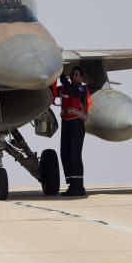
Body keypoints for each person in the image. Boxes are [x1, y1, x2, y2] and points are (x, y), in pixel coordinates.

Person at [56, 66, 91, 196]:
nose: (74, 76)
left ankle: (79, 186)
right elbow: (51, 91)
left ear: (81, 77)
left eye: (77, 74)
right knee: (65, 153)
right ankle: (72, 184)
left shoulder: (82, 89)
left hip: (77, 123)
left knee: (75, 154)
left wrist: (61, 76)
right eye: (72, 74)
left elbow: (73, 91)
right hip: (66, 123)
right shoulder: (64, 88)